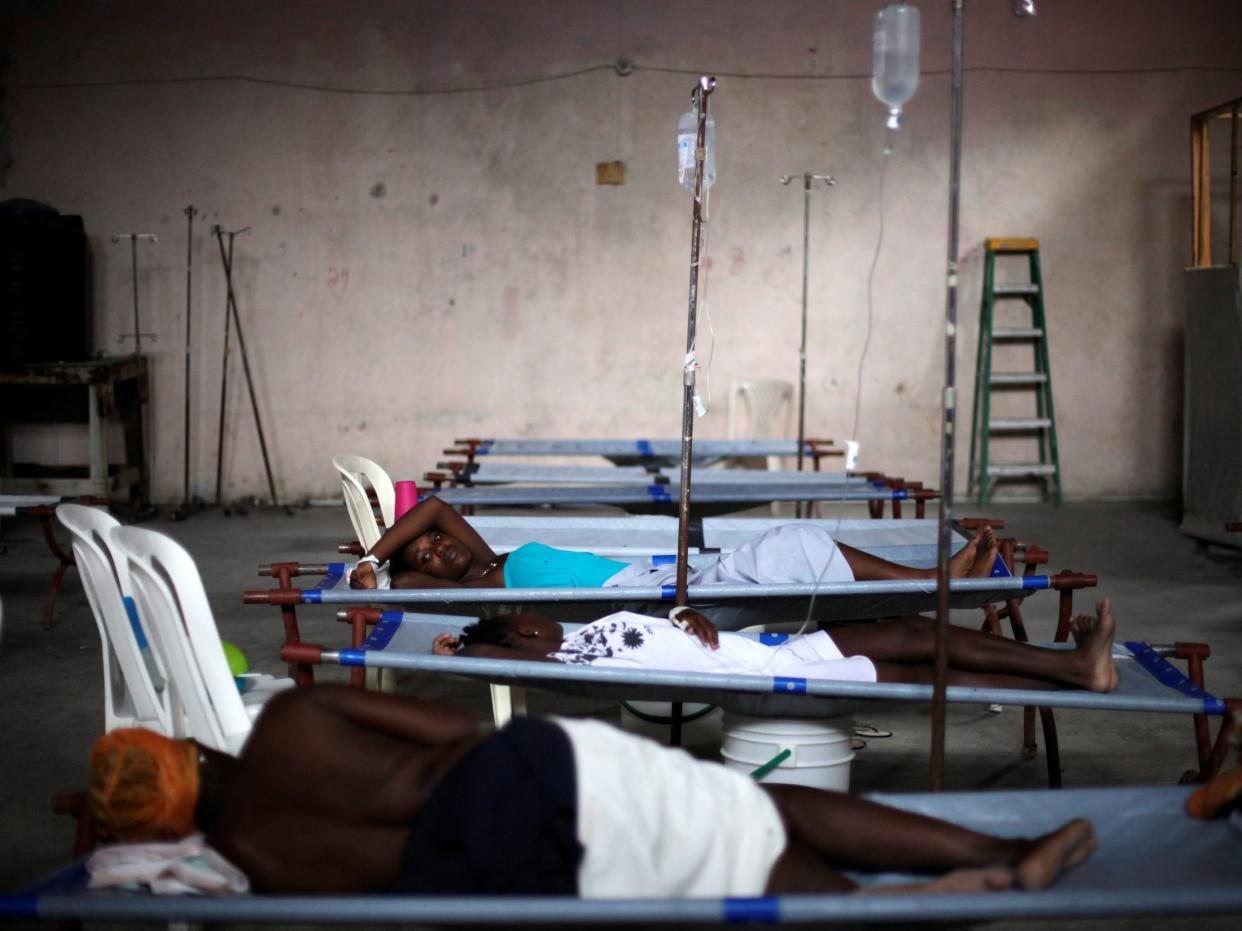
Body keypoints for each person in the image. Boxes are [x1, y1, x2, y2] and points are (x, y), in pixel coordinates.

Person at [89, 685, 1097, 897]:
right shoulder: (288, 721)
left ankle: (903, 908)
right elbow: (454, 729)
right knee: (754, 807)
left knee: (735, 867)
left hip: (514, 873)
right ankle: (992, 856)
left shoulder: (259, 866)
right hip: (525, 775)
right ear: (192, 753)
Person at [433, 599, 1121, 694]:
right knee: (922, 663)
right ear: (521, 633)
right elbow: (496, 659)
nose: (539, 614)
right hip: (765, 671)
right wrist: (458, 649)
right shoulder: (559, 654)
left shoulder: (586, 636)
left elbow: (665, 628)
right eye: (527, 614)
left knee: (917, 630)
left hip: (766, 650)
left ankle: (1070, 665)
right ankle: (1072, 674)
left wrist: (684, 610)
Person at [349, 495, 999, 590]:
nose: (440, 548)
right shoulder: (471, 587)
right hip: (652, 598)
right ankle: (936, 582)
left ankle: (940, 577)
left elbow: (433, 506)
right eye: (429, 556)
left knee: (792, 541)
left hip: (656, 578)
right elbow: (403, 579)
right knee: (793, 540)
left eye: (433, 542)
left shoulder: (488, 558)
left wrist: (381, 547)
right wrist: (380, 565)